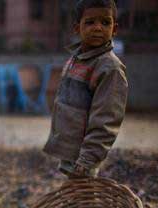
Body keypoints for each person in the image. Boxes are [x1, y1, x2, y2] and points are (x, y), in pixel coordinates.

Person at [43, 0, 128, 178]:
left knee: (85, 197)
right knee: (75, 196)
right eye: (90, 22)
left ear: (115, 29)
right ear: (77, 28)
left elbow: (106, 118)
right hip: (71, 150)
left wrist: (88, 159)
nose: (98, 28)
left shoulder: (109, 68)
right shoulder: (77, 59)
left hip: (84, 155)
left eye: (105, 22)